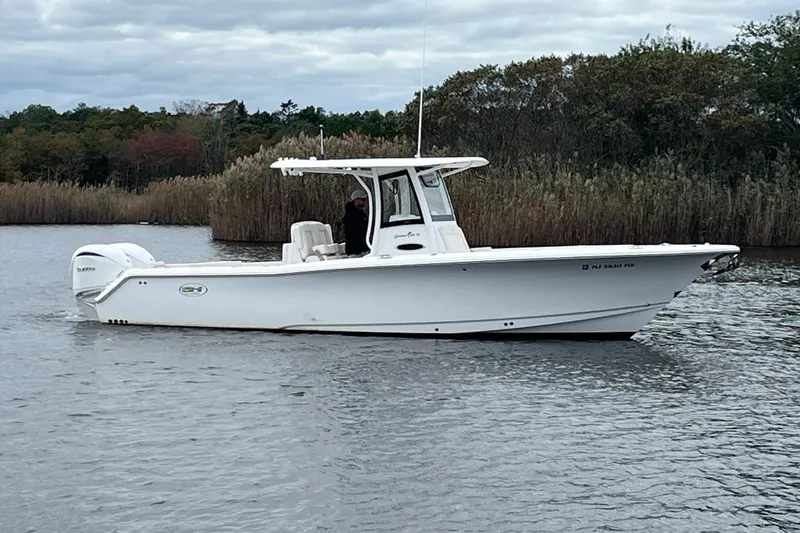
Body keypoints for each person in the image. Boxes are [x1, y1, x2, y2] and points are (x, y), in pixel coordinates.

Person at [343, 189, 369, 256]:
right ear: (356, 200)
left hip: (363, 249)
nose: (365, 202)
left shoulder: (361, 214)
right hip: (355, 251)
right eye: (362, 200)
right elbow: (355, 233)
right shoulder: (350, 216)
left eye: (365, 199)